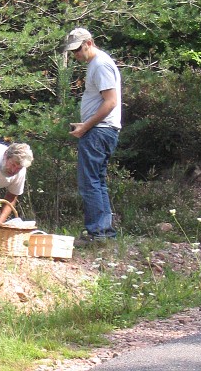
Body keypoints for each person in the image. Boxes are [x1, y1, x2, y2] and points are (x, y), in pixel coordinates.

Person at [65, 27, 121, 244]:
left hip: (99, 131)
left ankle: (97, 233)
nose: (75, 54)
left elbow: (111, 102)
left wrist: (86, 126)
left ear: (89, 42)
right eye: (72, 52)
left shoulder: (100, 64)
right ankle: (103, 232)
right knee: (96, 181)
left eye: (77, 49)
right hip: (100, 130)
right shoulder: (96, 64)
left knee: (89, 181)